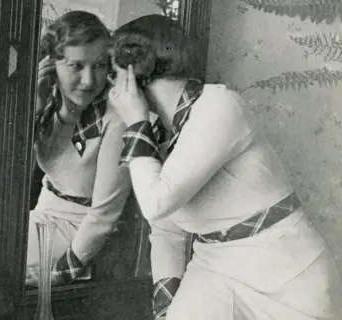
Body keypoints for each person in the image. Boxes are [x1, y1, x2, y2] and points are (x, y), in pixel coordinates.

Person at [109, 14, 341, 320]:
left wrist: (136, 121)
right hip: (214, 267)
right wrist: (166, 309)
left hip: (288, 275)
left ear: (131, 75)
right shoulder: (159, 133)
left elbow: (156, 202)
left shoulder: (218, 105)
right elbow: (165, 230)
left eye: (114, 76)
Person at [25, 11, 131, 287]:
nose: (89, 80)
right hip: (43, 216)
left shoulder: (116, 118)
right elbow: (16, 172)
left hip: (84, 237)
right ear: (51, 64)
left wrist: (58, 274)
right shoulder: (46, 103)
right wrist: (35, 103)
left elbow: (105, 215)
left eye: (98, 66)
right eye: (76, 66)